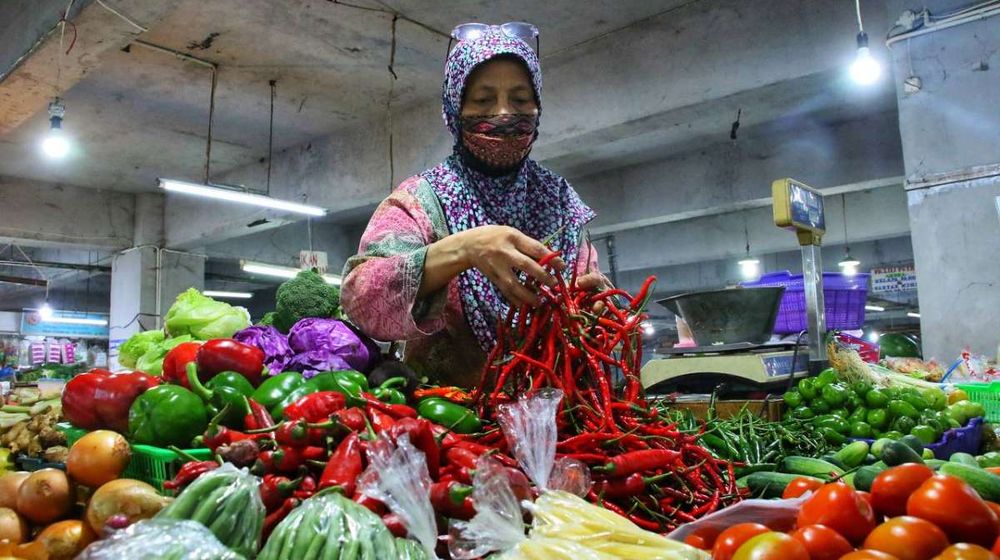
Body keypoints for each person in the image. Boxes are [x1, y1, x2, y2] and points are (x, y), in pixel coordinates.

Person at [341, 23, 605, 387]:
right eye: (482, 100)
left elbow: (591, 303)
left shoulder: (560, 202)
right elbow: (363, 303)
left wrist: (598, 310)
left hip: (558, 421)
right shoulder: (419, 200)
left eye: (519, 99)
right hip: (452, 424)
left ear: (537, 105)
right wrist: (464, 249)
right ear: (454, 108)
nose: (503, 114)